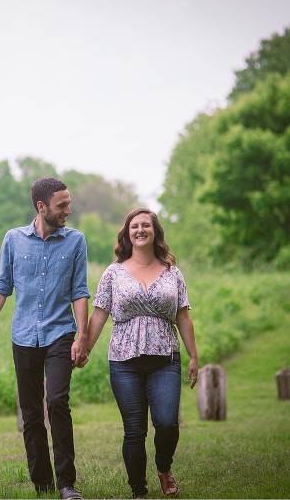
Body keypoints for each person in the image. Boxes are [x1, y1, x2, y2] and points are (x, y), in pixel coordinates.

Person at [0, 177, 90, 500]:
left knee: (56, 401)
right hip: (23, 336)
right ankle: (42, 484)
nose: (69, 209)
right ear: (42, 207)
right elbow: (2, 286)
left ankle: (67, 483)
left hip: (60, 334)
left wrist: (82, 336)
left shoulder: (76, 241)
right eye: (62, 205)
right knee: (31, 413)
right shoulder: (13, 240)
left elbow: (79, 291)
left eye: (69, 202)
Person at [83, 208, 198, 498]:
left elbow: (183, 316)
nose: (140, 230)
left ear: (155, 231)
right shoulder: (114, 272)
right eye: (135, 226)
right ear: (127, 233)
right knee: (134, 430)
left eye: (146, 225)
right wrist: (84, 348)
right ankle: (138, 490)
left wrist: (193, 356)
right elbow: (99, 315)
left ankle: (163, 466)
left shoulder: (173, 272)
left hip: (165, 360)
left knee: (167, 422)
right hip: (123, 361)